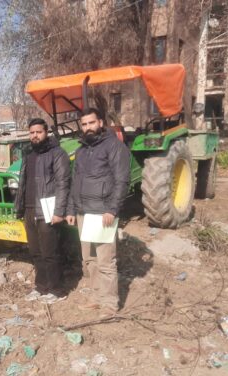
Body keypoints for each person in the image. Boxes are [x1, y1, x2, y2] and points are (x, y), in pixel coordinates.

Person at [66, 108, 131, 313]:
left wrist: (112, 209)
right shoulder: (81, 150)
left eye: (91, 123)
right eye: (84, 124)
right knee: (89, 260)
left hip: (103, 212)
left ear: (100, 123)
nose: (87, 128)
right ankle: (95, 296)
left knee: (105, 261)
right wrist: (70, 209)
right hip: (83, 213)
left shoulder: (114, 147)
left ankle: (110, 303)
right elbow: (75, 182)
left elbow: (122, 181)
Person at [14, 118, 71, 304]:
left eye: (38, 132)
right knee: (36, 251)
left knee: (50, 251)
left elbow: (63, 184)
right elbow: (23, 183)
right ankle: (41, 286)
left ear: (46, 132)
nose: (35, 136)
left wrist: (59, 211)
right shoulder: (29, 154)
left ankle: (57, 289)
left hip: (48, 209)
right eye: (32, 132)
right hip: (29, 209)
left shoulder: (57, 154)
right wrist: (20, 208)